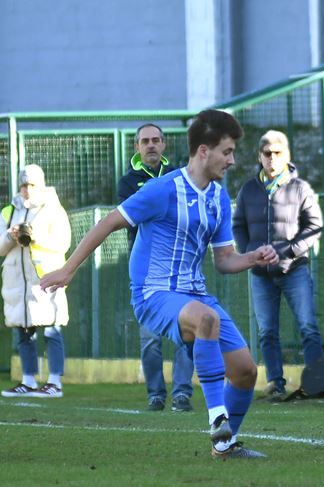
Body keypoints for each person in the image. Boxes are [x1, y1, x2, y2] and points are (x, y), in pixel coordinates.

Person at [41, 109, 279, 459]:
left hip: (194, 294)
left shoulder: (217, 199)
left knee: (245, 372)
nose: (232, 160)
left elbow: (224, 259)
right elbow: (109, 222)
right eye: (227, 152)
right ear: (203, 151)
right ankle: (218, 423)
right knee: (206, 320)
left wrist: (252, 257)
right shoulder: (162, 190)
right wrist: (68, 269)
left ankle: (225, 447)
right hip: (153, 295)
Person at [232, 130, 323, 401]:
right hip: (260, 274)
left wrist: (287, 251)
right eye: (267, 154)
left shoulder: (300, 188)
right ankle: (275, 383)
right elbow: (238, 226)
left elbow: (314, 226)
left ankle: (316, 384)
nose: (272, 159)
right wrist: (251, 252)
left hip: (294, 269)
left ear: (287, 156)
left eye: (277, 153)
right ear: (260, 156)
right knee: (267, 331)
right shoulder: (248, 189)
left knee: (307, 326)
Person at [118, 123, 194, 412]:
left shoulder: (179, 176)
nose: (150, 145)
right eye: (144, 141)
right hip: (147, 272)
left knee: (185, 333)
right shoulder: (128, 182)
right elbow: (135, 216)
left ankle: (182, 393)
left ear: (163, 145)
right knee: (150, 338)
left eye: (155, 140)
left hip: (179, 266)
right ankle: (156, 394)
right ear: (137, 147)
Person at [1, 165, 70, 399]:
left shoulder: (53, 209)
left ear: (40, 185)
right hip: (17, 284)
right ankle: (28, 380)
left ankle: (54, 382)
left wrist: (34, 235)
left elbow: (64, 242)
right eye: (23, 185)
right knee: (24, 332)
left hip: (45, 280)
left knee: (52, 329)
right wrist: (10, 236)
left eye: (31, 185)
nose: (27, 190)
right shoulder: (9, 211)